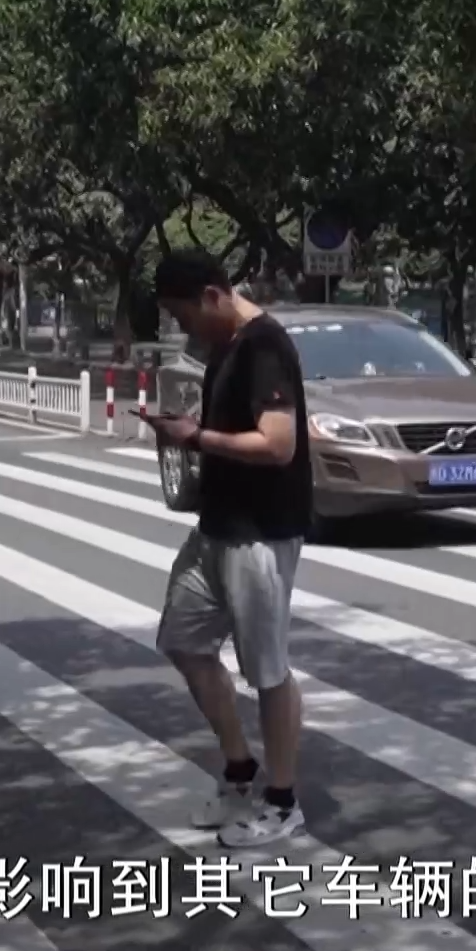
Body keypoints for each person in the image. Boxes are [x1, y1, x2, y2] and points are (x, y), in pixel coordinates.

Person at [142, 249, 312, 848]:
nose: (182, 326)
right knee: (183, 642)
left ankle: (282, 801)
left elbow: (279, 444)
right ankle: (240, 769)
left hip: (261, 532)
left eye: (183, 314)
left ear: (213, 295)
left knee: (266, 669)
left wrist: (196, 438)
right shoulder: (226, 346)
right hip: (215, 527)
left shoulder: (265, 347)